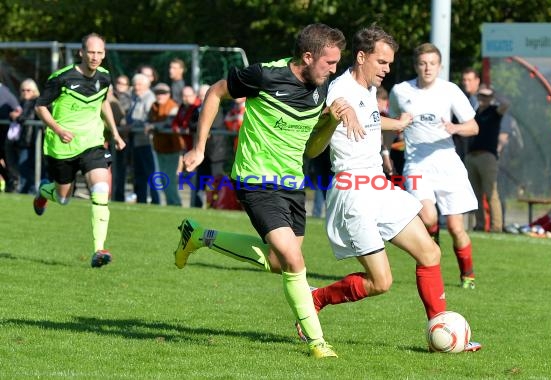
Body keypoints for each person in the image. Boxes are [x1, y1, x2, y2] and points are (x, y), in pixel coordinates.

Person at [173, 23, 358, 358]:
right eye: (329, 62)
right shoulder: (264, 75)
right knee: (293, 257)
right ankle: (317, 342)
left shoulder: (320, 90)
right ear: (307, 56)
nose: (334, 69)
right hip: (255, 178)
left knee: (277, 261)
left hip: (292, 184)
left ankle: (199, 237)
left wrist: (330, 121)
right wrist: (199, 148)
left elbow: (312, 150)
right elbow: (215, 92)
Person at [303, 24, 481, 352]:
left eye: (389, 63)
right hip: (352, 192)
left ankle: (440, 327)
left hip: (378, 186)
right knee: (381, 282)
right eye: (382, 62)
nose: (387, 69)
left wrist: (394, 123)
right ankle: (315, 299)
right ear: (361, 57)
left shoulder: (368, 88)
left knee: (430, 253)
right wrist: (336, 116)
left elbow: (367, 117)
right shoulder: (337, 90)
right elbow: (321, 136)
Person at [389, 43, 480, 290]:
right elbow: (393, 125)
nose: (427, 68)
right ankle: (432, 258)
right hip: (416, 165)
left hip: (448, 165)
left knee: (455, 227)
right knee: (428, 216)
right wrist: (385, 152)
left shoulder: (450, 91)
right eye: (422, 63)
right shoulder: (400, 91)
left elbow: (473, 127)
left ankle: (468, 275)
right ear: (416, 65)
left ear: (440, 66)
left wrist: (455, 128)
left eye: (432, 63)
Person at [33, 33, 126, 268]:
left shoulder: (105, 76)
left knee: (101, 189)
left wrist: (114, 132)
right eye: (91, 52)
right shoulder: (61, 78)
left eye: (100, 53)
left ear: (104, 54)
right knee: (63, 198)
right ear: (81, 53)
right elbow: (40, 106)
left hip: (92, 142)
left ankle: (99, 250)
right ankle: (44, 193)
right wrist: (57, 128)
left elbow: (103, 101)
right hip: (61, 146)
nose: (95, 57)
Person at [465, 85, 509, 233]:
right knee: (475, 194)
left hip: (487, 157)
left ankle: (496, 227)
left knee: (491, 193)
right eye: (481, 96)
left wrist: (494, 94)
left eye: (486, 96)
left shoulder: (494, 111)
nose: (483, 98)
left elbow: (506, 104)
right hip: (472, 156)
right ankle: (480, 225)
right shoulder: (475, 112)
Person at [146, 82, 181, 206]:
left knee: (169, 178)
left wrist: (152, 126)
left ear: (169, 94)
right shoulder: (154, 106)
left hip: (172, 148)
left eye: (163, 93)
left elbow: (169, 123)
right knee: (162, 178)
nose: (160, 96)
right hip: (159, 147)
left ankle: (175, 203)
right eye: (157, 93)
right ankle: (170, 203)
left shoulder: (173, 106)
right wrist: (149, 125)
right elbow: (148, 121)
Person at [127, 73, 158, 204]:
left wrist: (132, 125)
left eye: (139, 84)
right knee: (139, 173)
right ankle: (141, 200)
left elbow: (147, 119)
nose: (136, 87)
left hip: (147, 142)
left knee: (150, 173)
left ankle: (155, 200)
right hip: (137, 141)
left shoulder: (149, 98)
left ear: (147, 85)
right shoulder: (135, 98)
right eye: (135, 84)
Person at [15, 79, 42, 194]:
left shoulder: (35, 102)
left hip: (34, 140)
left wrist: (16, 116)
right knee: (24, 166)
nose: (25, 92)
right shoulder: (22, 102)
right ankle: (26, 190)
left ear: (34, 91)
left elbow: (24, 118)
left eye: (28, 90)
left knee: (28, 166)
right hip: (25, 140)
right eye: (23, 90)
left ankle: (31, 190)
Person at [0, 79, 23, 192]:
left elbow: (18, 110)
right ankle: (10, 182)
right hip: (4, 138)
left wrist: (15, 115)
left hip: (7, 137)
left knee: (11, 163)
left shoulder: (5, 93)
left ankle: (12, 183)